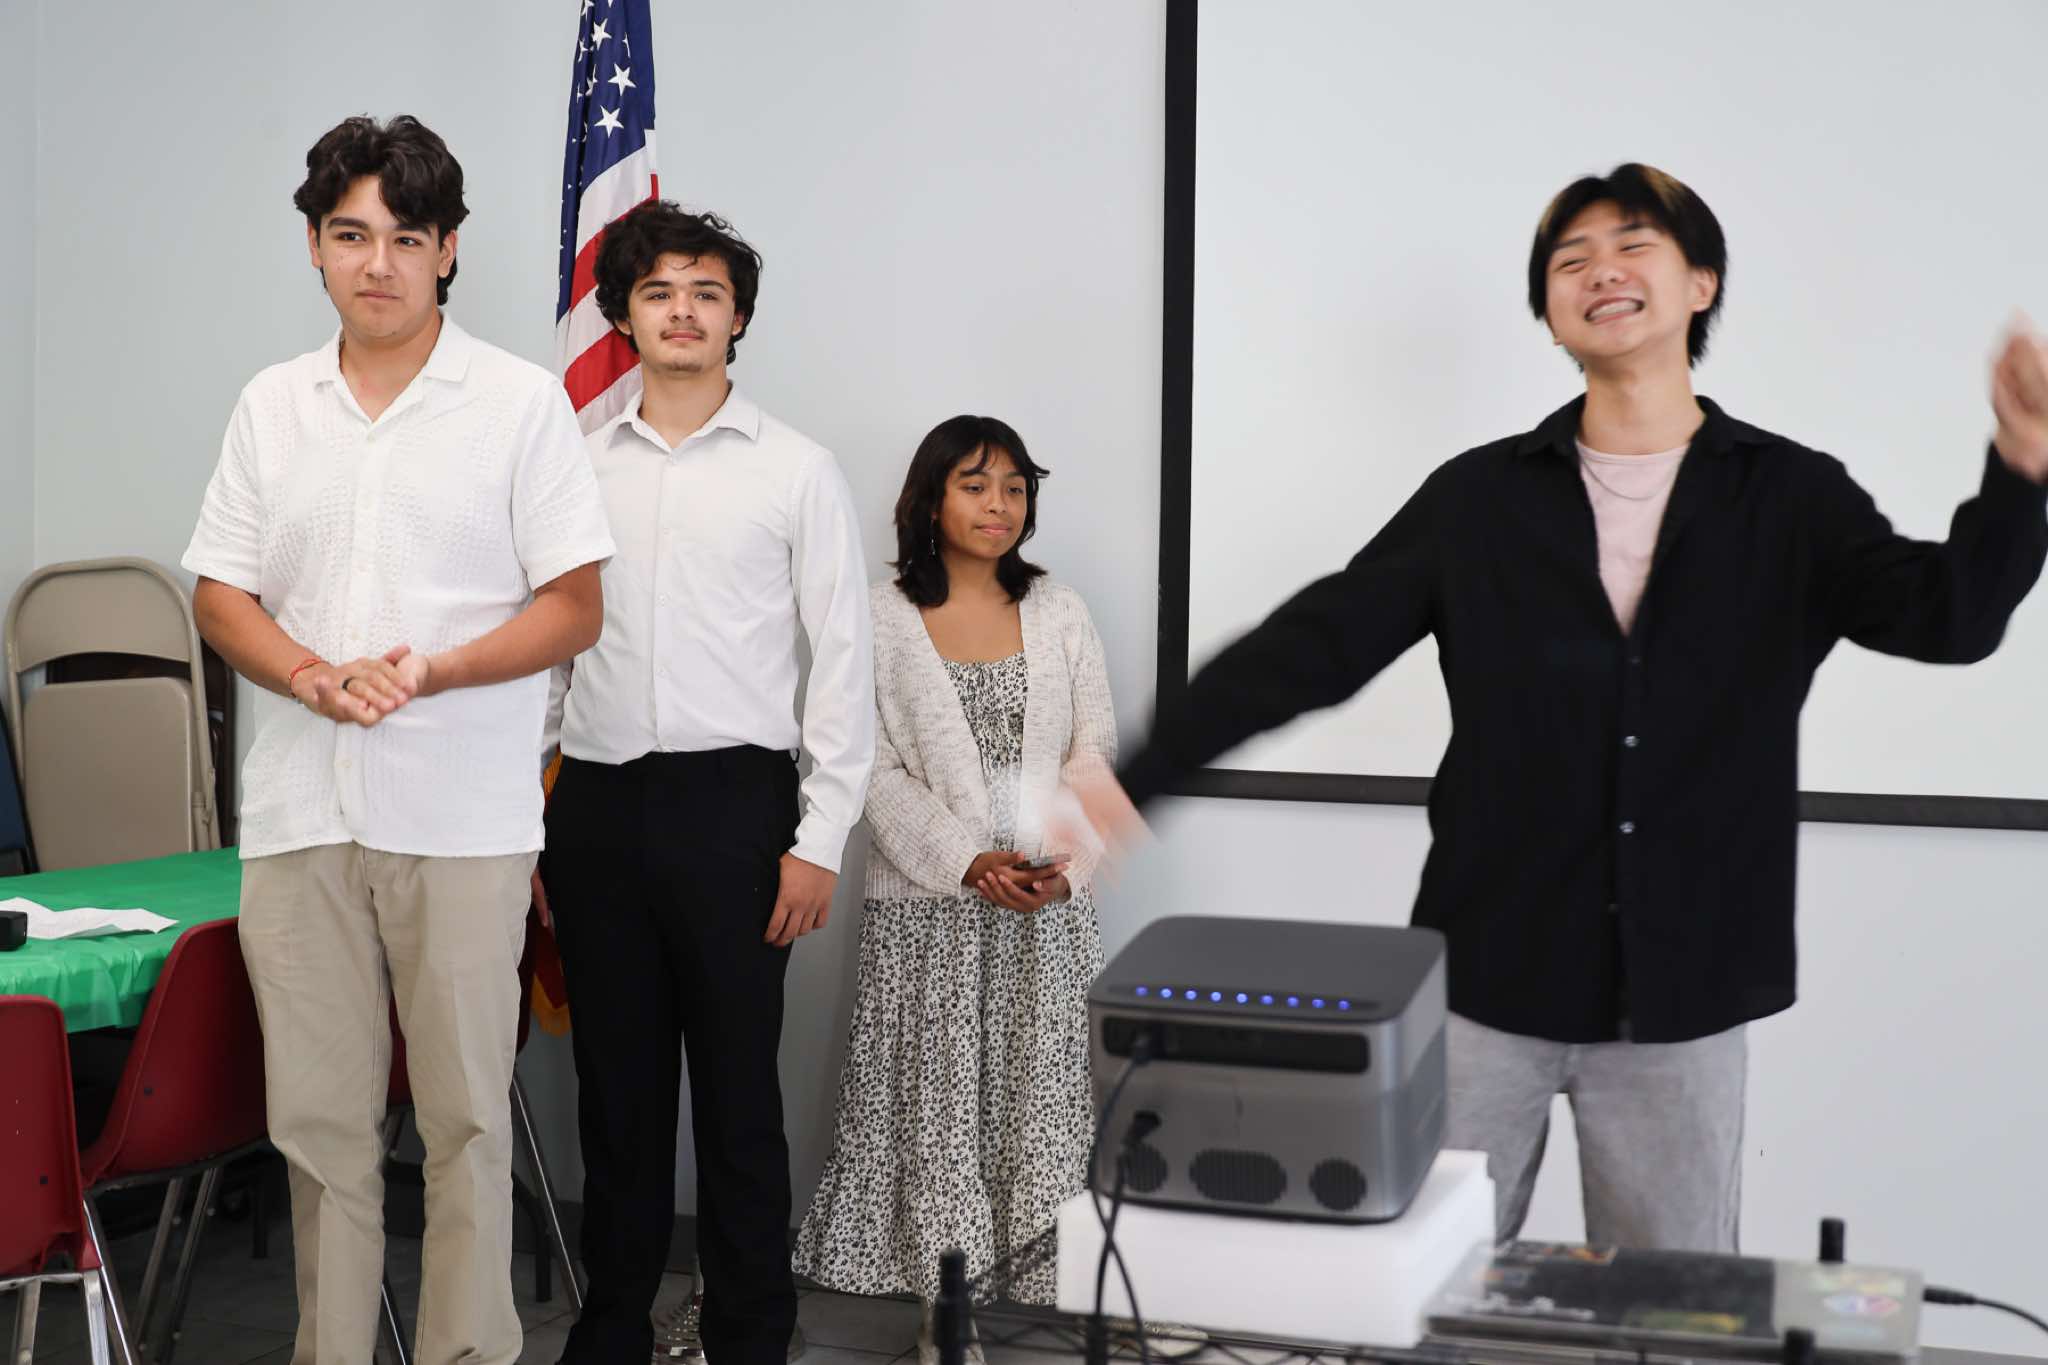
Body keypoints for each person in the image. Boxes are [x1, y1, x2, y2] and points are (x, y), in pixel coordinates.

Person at [1070, 163, 2048, 1253]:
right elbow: (1316, 645)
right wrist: (1135, 777)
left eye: (1632, 245)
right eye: (1569, 259)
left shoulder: (1788, 496)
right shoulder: (1479, 498)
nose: (1600, 271)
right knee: (1423, 1284)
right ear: (1547, 311)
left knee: (1670, 1309)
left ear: (1700, 284)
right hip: (1486, 979)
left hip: (1685, 993)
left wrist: (2021, 467)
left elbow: (1949, 618)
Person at [183, 114, 614, 1365]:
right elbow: (219, 594)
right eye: (350, 235)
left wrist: (435, 671)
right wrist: (310, 675)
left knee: (468, 1122)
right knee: (317, 1131)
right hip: (301, 813)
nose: (377, 263)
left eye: (405, 238)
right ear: (315, 247)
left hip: (462, 817)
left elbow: (574, 606)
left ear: (448, 251)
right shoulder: (273, 405)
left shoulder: (519, 404)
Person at [539, 200, 876, 1365]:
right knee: (615, 1097)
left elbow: (842, 663)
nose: (681, 312)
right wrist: (527, 824)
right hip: (593, 809)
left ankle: (749, 1336)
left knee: (737, 1098)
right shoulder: (572, 467)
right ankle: (611, 1332)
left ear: (738, 318)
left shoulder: (795, 469)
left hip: (737, 811)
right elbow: (546, 655)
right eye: (658, 293)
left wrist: (818, 838)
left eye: (706, 294)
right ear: (623, 316)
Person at [791, 415, 1116, 1363]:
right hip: (929, 916)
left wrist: (1063, 866)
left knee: (1036, 1107)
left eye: (1015, 487)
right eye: (975, 485)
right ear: (930, 500)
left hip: (1045, 916)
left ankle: (1037, 1291)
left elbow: (1094, 750)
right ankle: (947, 1307)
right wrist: (967, 860)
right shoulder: (879, 614)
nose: (998, 505)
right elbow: (865, 763)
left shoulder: (1060, 609)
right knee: (937, 1114)